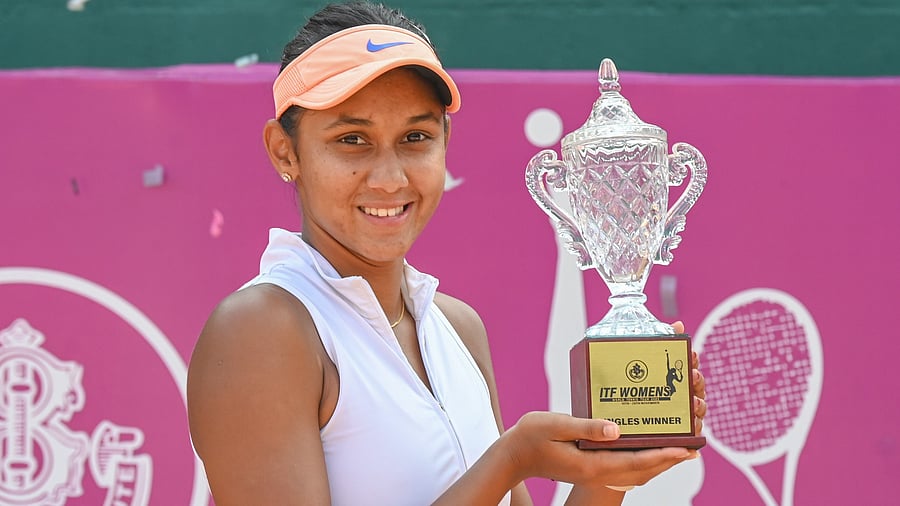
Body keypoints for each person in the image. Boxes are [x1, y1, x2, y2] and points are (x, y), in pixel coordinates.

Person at [186, 2, 707, 505]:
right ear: (285, 151)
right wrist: (509, 461)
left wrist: (613, 469)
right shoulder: (258, 330)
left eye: (415, 137)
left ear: (445, 139)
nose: (390, 178)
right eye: (352, 140)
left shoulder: (457, 326)